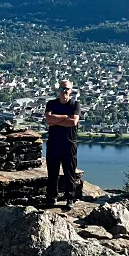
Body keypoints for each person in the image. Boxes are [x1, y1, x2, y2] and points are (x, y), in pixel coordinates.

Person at [44, 79, 80, 208]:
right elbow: (48, 120)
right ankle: (51, 197)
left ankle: (70, 198)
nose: (64, 91)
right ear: (58, 90)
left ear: (71, 91)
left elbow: (73, 122)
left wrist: (56, 119)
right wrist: (66, 117)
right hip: (53, 143)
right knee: (52, 172)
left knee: (69, 172)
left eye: (67, 89)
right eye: (62, 89)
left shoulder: (75, 105)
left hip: (69, 143)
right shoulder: (51, 103)